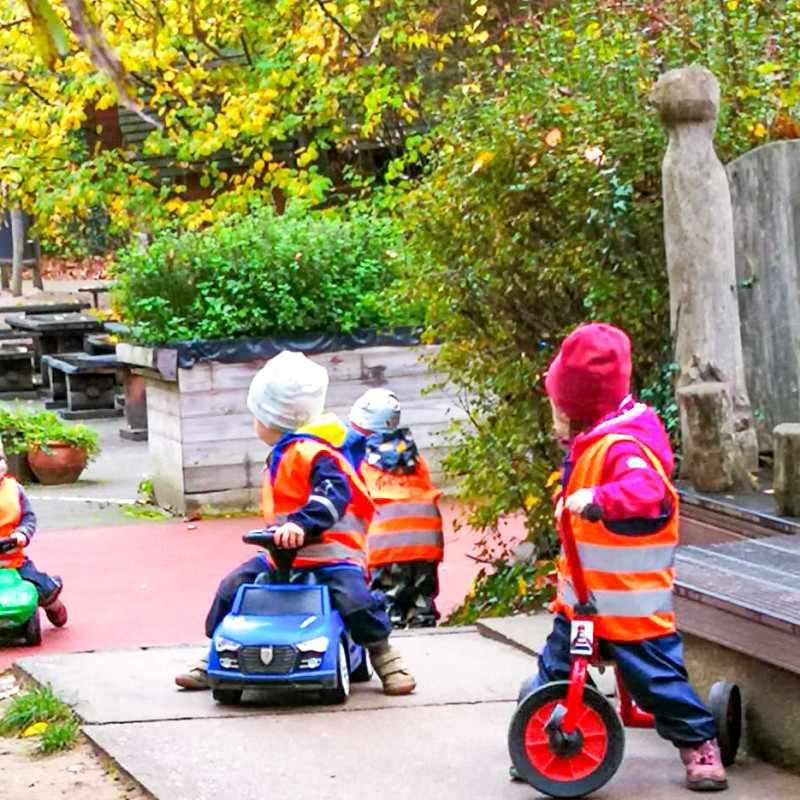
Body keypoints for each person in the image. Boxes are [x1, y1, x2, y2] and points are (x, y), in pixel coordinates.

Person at [517, 323, 727, 792]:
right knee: (553, 671)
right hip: (583, 604)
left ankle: (699, 743)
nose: (554, 417)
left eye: (559, 407)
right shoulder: (594, 438)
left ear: (580, 407)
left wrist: (599, 499)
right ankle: (540, 739)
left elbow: (648, 492)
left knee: (657, 682)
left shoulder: (624, 446)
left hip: (631, 608)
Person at [175, 351, 416, 696]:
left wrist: (302, 525)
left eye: (255, 416)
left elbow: (333, 494)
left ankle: (383, 654)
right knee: (233, 588)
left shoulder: (314, 452)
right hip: (281, 554)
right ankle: (216, 653)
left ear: (271, 419)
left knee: (356, 600)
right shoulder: (285, 452)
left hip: (332, 556)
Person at [348, 388, 444, 628]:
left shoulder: (360, 458)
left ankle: (395, 645)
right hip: (426, 543)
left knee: (387, 605)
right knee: (422, 600)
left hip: (386, 545)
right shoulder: (414, 458)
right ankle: (427, 634)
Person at [0, 443, 67, 627]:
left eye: (0, 459)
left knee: (38, 584)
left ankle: (51, 603)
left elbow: (28, 517)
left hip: (13, 559)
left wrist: (21, 533)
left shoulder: (14, 489)